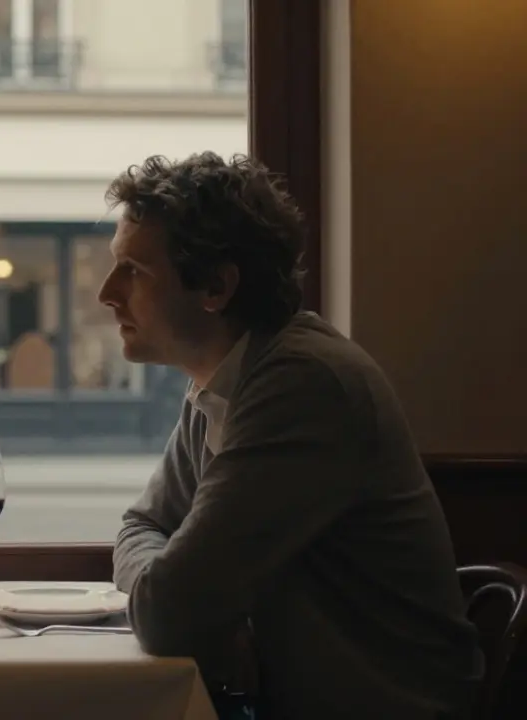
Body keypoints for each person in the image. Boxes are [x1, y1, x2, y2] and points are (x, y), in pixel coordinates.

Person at [102, 152, 482, 719]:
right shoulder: (220, 380)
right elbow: (144, 526)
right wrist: (176, 600)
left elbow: (169, 616)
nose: (108, 292)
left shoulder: (303, 385)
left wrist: (182, 607)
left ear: (216, 286)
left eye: (135, 271)